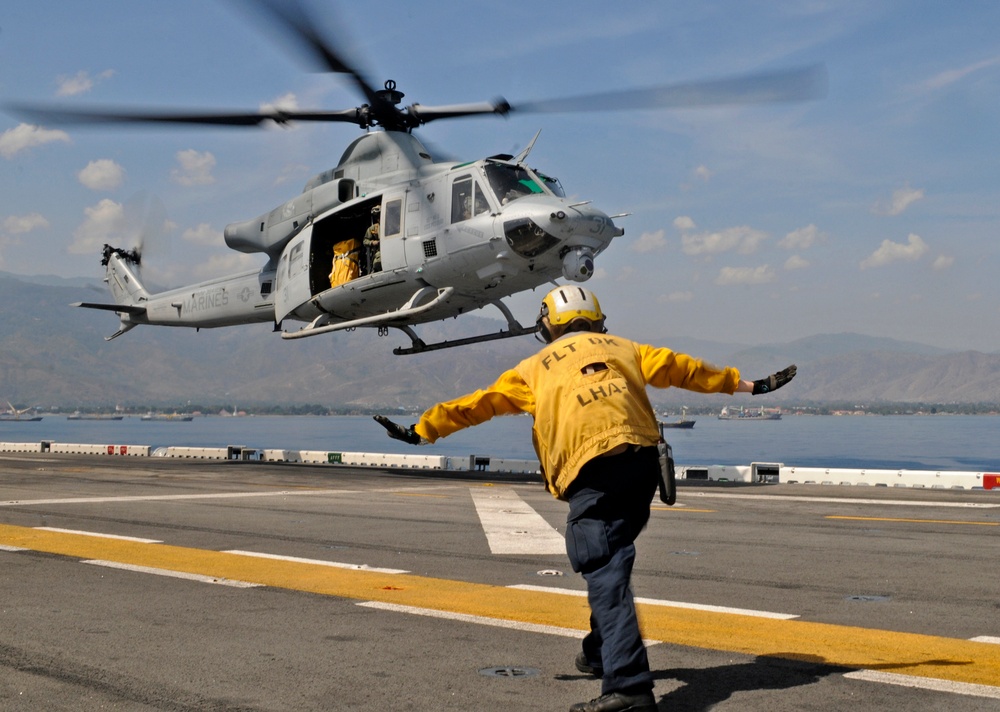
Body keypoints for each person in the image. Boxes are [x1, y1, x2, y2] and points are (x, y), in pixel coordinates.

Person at [375, 285, 796, 712]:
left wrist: (422, 430)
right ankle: (599, 653)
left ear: (548, 325)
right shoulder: (624, 347)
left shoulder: (533, 368)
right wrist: (752, 386)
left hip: (590, 466)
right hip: (641, 465)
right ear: (597, 320)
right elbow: (681, 368)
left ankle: (629, 688)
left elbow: (478, 405)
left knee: (602, 565)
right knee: (610, 561)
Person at [364, 205, 381, 274]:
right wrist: (372, 242)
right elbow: (365, 241)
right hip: (379, 255)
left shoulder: (391, 225)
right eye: (377, 216)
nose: (378, 218)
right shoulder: (374, 228)